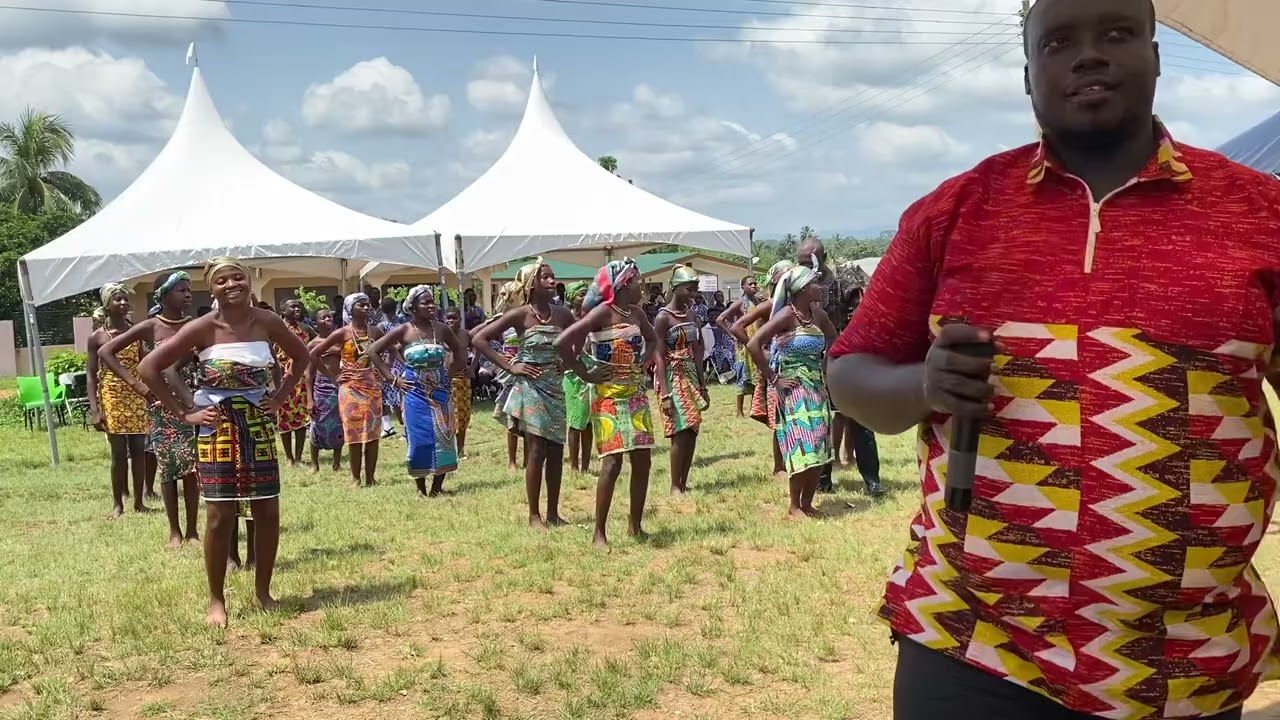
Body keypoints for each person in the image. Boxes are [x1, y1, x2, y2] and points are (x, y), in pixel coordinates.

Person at [829, 1, 1280, 717]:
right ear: (1030, 75)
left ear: (1157, 58)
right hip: (973, 645)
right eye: (1059, 41)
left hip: (1185, 661)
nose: (1089, 55)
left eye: (1117, 34)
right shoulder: (957, 212)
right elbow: (849, 374)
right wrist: (924, 383)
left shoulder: (1260, 214)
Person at [138, 258, 310, 628]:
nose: (231, 284)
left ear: (249, 282)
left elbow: (300, 356)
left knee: (266, 511)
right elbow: (150, 368)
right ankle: (217, 600)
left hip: (259, 427)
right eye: (221, 280)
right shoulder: (202, 327)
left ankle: (263, 592)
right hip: (217, 429)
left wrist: (279, 397)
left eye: (238, 277)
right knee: (219, 515)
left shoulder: (267, 322)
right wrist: (185, 413)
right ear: (211, 288)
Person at [555, 259, 657, 548]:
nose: (642, 286)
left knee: (643, 460)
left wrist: (643, 359)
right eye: (638, 281)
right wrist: (585, 372)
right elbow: (562, 343)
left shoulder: (637, 314)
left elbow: (652, 340)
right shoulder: (602, 313)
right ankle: (599, 533)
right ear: (624, 284)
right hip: (608, 397)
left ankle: (635, 526)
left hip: (635, 394)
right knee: (611, 463)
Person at [475, 259, 583, 529]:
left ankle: (554, 513)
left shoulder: (562, 314)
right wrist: (511, 365)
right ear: (531, 283)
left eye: (552, 277)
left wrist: (569, 358)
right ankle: (534, 515)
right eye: (545, 277)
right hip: (530, 387)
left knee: (557, 450)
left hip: (555, 387)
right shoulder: (520, 315)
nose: (551, 281)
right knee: (536, 449)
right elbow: (479, 339)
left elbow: (580, 335)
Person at [98, 272, 200, 547]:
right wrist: (137, 384)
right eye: (181, 290)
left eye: (188, 290)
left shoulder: (198, 325)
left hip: (195, 402)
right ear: (164, 296)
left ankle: (192, 531)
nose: (188, 294)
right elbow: (105, 352)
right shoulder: (150, 327)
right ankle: (174, 531)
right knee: (168, 467)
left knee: (193, 468)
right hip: (161, 405)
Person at [797, 239, 885, 497]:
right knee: (820, 419)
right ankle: (822, 478)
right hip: (812, 360)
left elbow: (861, 317)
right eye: (800, 262)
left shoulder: (845, 279)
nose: (802, 267)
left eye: (806, 262)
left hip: (845, 358)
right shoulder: (800, 284)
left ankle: (872, 478)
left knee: (860, 419)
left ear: (821, 257)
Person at [747, 266, 836, 520]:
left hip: (816, 387)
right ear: (803, 289)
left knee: (818, 443)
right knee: (801, 445)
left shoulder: (817, 314)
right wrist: (774, 378)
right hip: (793, 389)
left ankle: (808, 504)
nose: (820, 287)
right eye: (815, 284)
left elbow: (833, 338)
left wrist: (825, 367)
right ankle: (794, 506)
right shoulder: (786, 314)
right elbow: (754, 344)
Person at [369, 286, 464, 498]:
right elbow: (373, 351)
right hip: (415, 392)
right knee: (419, 437)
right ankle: (420, 488)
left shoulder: (441, 329)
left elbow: (459, 351)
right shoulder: (403, 330)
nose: (431, 306)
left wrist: (450, 374)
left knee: (445, 435)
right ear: (413, 307)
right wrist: (393, 379)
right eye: (425, 303)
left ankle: (437, 487)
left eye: (433, 302)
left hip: (440, 391)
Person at [85, 283, 151, 518]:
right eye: (117, 300)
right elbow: (91, 376)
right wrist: (95, 409)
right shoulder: (97, 337)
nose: (123, 303)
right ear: (107, 304)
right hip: (111, 394)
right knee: (118, 453)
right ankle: (117, 503)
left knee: (139, 450)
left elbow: (145, 363)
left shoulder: (136, 332)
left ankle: (140, 501)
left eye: (125, 299)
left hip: (137, 395)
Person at [309, 293, 384, 487]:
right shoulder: (342, 333)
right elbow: (314, 354)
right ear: (351, 310)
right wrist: (332, 376)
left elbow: (391, 350)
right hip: (349, 387)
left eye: (368, 305)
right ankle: (355, 478)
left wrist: (384, 372)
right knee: (354, 433)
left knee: (373, 433)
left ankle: (371, 477)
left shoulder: (375, 331)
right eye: (361, 305)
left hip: (372, 387)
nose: (367, 308)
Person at [729, 262, 796, 479]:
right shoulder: (769, 306)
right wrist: (762, 350)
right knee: (780, 417)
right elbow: (736, 326)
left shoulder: (799, 307)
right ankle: (779, 467)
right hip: (777, 367)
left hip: (797, 366)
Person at [654, 265, 709, 496]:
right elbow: (658, 354)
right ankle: (675, 485)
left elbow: (697, 350)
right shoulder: (663, 317)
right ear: (675, 288)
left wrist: (702, 384)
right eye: (689, 289)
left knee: (692, 428)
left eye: (696, 289)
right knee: (680, 428)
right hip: (672, 376)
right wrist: (665, 393)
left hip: (691, 375)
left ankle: (684, 481)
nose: (693, 293)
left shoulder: (692, 316)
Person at [716, 275, 763, 418]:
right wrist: (732, 335)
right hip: (744, 344)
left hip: (757, 342)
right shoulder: (740, 304)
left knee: (758, 375)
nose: (754, 286)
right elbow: (720, 320)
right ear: (743, 287)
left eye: (755, 284)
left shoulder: (760, 302)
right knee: (743, 376)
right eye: (750, 284)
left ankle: (755, 407)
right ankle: (739, 410)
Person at [274, 299, 314, 467]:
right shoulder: (275, 329)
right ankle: (289, 457)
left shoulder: (305, 329)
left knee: (301, 418)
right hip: (282, 378)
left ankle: (298, 457)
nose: (297, 309)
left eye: (299, 306)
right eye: (293, 306)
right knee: (283, 418)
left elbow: (318, 343)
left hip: (300, 378)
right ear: (283, 311)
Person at [306, 308, 344, 472]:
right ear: (316, 323)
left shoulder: (341, 341)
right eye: (323, 317)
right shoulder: (313, 344)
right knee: (318, 422)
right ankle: (315, 463)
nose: (327, 319)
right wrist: (309, 398)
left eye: (330, 316)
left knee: (339, 424)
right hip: (322, 386)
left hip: (340, 385)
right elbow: (308, 373)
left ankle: (337, 463)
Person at [561, 281, 593, 474]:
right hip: (572, 375)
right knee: (575, 422)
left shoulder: (592, 320)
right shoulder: (565, 322)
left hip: (590, 374)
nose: (585, 298)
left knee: (589, 422)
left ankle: (586, 466)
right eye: (581, 295)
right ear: (572, 299)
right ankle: (574, 466)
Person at [443, 307, 476, 459]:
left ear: (460, 320)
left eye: (454, 318)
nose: (450, 321)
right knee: (444, 416)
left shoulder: (466, 335)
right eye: (448, 318)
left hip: (461, 378)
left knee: (461, 416)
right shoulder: (439, 335)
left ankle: (461, 450)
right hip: (442, 378)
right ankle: (447, 450)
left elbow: (480, 347)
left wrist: (473, 366)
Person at [376, 296, 403, 439]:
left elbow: (379, 345)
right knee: (399, 394)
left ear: (381, 308)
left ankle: (388, 425)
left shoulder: (381, 326)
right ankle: (401, 424)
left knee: (384, 394)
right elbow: (402, 343)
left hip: (387, 362)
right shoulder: (401, 324)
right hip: (400, 362)